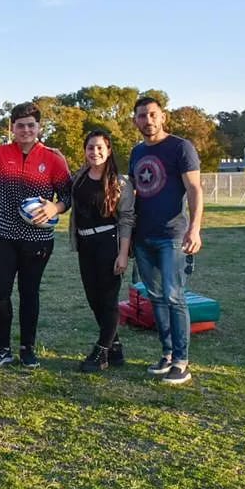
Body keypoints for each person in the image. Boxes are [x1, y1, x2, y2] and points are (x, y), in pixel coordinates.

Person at [0, 102, 72, 369]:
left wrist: (54, 207)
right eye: (20, 125)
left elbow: (68, 195)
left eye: (30, 125)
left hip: (38, 240)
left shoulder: (52, 158)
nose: (25, 130)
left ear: (39, 127)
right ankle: (2, 348)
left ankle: (28, 348)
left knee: (29, 293)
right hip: (3, 236)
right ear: (12, 127)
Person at [130, 96, 203, 385]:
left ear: (162, 117)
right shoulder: (136, 153)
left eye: (151, 115)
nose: (147, 121)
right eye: (141, 116)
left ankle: (182, 361)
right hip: (143, 236)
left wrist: (194, 229)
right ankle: (168, 354)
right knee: (156, 298)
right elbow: (134, 193)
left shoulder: (180, 147)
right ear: (135, 120)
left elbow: (195, 188)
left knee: (175, 297)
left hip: (172, 235)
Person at [69, 131, 135, 373]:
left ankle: (102, 352)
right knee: (93, 298)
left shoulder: (120, 182)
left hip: (109, 243)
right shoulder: (79, 177)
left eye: (99, 148)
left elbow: (127, 219)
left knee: (108, 300)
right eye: (90, 148)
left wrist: (123, 254)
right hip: (85, 245)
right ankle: (115, 347)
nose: (94, 152)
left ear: (108, 151)